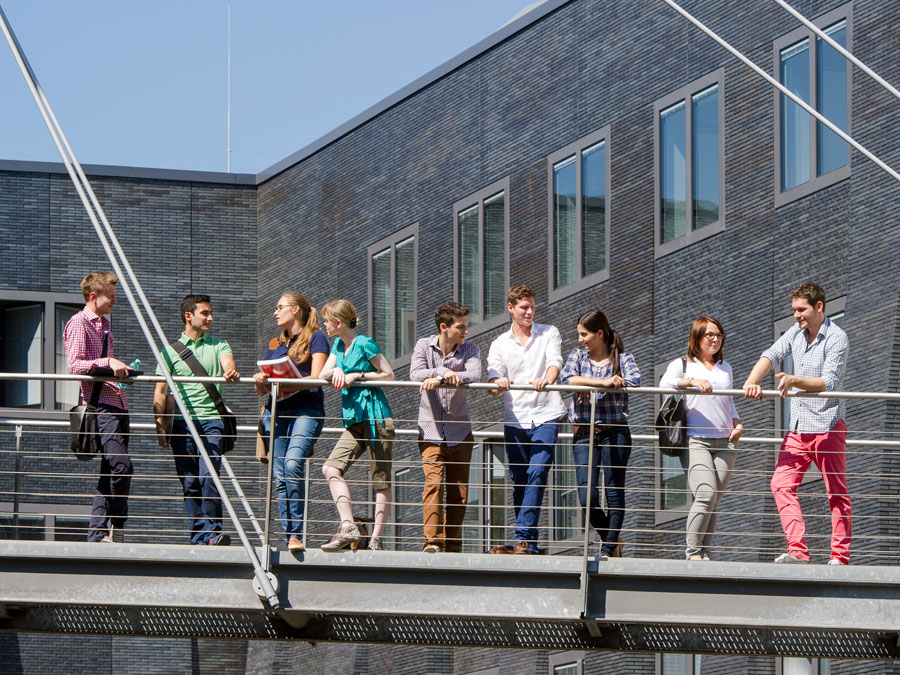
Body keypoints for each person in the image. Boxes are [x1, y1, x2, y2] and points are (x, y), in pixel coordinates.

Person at [743, 283, 850, 565]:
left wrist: (793, 380)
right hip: (798, 427)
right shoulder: (796, 332)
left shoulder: (837, 337)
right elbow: (772, 354)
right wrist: (752, 381)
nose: (796, 316)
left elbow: (829, 381)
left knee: (836, 492)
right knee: (780, 484)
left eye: (801, 310)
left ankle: (840, 557)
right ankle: (798, 552)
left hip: (827, 425)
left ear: (819, 307)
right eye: (793, 310)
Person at [153, 294, 240, 546]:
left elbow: (228, 362)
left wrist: (230, 370)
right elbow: (160, 390)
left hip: (212, 419)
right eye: (205, 313)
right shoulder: (169, 351)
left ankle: (213, 533)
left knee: (209, 475)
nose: (210, 318)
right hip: (182, 422)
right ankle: (199, 536)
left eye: (210, 313)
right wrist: (161, 425)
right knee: (190, 481)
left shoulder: (219, 345)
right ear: (188, 316)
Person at [487, 284, 566, 555]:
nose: (530, 311)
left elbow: (555, 361)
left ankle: (522, 537)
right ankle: (528, 544)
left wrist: (548, 378)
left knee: (538, 470)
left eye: (532, 306)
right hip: (515, 417)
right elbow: (494, 380)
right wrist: (499, 382)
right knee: (519, 478)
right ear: (511, 308)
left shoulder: (549, 332)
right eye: (524, 307)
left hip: (546, 413)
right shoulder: (499, 343)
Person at [660, 317, 743, 561]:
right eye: (710, 335)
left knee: (714, 500)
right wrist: (692, 382)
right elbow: (665, 384)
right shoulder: (683, 364)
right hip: (696, 439)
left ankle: (705, 552)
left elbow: (728, 401)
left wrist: (737, 422)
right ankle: (693, 553)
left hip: (726, 441)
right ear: (697, 337)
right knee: (706, 494)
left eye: (719, 335)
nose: (715, 339)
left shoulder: (725, 367)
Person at [559, 309, 640, 558]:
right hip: (585, 432)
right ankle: (612, 539)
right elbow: (566, 379)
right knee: (587, 496)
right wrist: (600, 383)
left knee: (614, 491)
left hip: (615, 432)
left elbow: (635, 380)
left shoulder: (623, 359)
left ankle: (607, 549)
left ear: (600, 333)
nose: (581, 339)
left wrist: (612, 382)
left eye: (584, 334)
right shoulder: (578, 357)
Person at [63, 271, 136, 543]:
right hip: (100, 407)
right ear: (94, 297)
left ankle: (98, 535)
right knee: (121, 466)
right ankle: (118, 523)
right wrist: (108, 363)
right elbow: (74, 366)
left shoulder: (106, 327)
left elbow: (103, 368)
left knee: (109, 472)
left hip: (118, 404)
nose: (115, 302)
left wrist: (121, 374)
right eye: (111, 297)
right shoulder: (78, 323)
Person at [253, 293, 329, 553]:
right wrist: (260, 381)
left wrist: (283, 382)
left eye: (280, 307)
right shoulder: (275, 342)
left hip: (306, 409)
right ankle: (291, 536)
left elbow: (317, 378)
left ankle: (296, 532)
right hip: (278, 410)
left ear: (296, 310)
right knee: (279, 475)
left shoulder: (316, 337)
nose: (275, 312)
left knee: (293, 464)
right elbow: (261, 391)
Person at [318, 300, 395, 552]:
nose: (325, 325)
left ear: (338, 323)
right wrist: (339, 369)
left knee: (380, 480)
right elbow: (323, 375)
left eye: (327, 321)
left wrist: (357, 375)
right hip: (353, 419)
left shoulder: (365, 343)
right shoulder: (339, 344)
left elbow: (388, 374)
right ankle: (348, 526)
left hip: (376, 417)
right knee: (330, 468)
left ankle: (375, 539)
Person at [409, 302, 481, 553]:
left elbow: (474, 374)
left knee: (459, 493)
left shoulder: (471, 349)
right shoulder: (423, 346)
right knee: (433, 484)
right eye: (461, 327)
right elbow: (415, 373)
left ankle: (452, 546)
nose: (465, 332)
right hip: (430, 431)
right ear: (444, 327)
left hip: (460, 431)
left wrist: (453, 376)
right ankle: (432, 542)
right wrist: (441, 372)